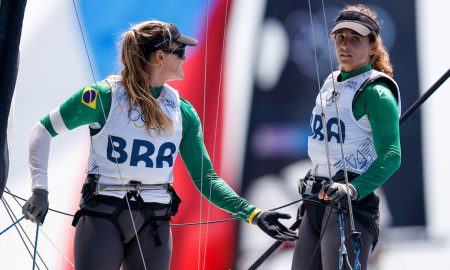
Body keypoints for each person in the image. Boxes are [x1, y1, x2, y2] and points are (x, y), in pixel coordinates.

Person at [21, 20, 298, 270]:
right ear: (160, 56)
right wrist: (40, 189)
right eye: (180, 50)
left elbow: (207, 179)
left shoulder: (182, 111)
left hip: (153, 221)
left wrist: (253, 213)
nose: (185, 56)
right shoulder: (102, 96)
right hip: (102, 215)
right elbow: (42, 130)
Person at [292, 4, 401, 270]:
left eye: (355, 39)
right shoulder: (331, 80)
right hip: (317, 198)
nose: (345, 45)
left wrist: (353, 188)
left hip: (349, 205)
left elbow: (392, 155)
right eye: (340, 37)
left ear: (373, 46)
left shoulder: (377, 93)